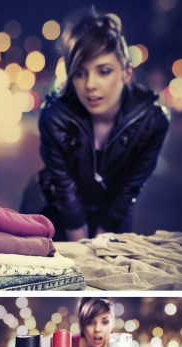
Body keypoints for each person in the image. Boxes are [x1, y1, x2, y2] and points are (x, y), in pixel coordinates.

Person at [20, 9, 169, 242]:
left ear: (126, 73)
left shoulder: (152, 121)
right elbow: (65, 190)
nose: (90, 84)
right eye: (80, 73)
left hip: (113, 211)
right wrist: (82, 248)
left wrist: (98, 244)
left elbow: (128, 190)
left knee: (111, 268)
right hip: (53, 206)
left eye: (104, 71)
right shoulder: (55, 117)